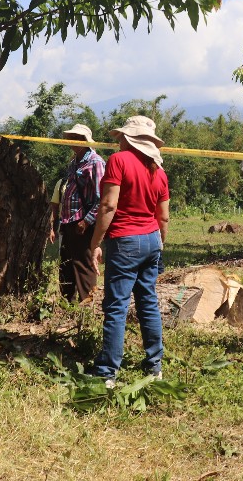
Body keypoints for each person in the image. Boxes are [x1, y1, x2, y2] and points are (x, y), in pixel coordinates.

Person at [89, 116, 170, 387]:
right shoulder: (159, 172)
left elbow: (108, 206)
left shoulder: (119, 161)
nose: (118, 140)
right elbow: (164, 217)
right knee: (147, 302)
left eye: (121, 136)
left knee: (116, 307)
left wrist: (95, 242)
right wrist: (160, 244)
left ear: (130, 139)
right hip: (151, 240)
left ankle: (107, 373)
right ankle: (154, 367)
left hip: (124, 241)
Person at [57, 124, 105, 302]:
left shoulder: (95, 162)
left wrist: (86, 220)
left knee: (84, 266)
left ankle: (87, 305)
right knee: (67, 265)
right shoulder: (74, 162)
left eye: (77, 138)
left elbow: (102, 198)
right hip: (69, 221)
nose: (73, 142)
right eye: (71, 138)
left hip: (83, 223)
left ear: (85, 141)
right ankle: (66, 305)